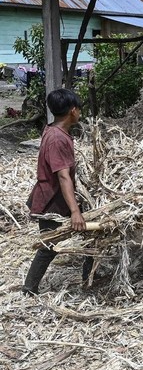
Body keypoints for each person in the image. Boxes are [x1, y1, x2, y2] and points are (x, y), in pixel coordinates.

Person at [23, 88, 92, 295]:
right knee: (49, 246)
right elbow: (63, 176)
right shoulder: (58, 139)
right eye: (79, 109)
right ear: (73, 111)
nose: (80, 113)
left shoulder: (53, 130)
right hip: (52, 200)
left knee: (91, 237)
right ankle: (29, 289)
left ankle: (89, 281)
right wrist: (75, 211)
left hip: (56, 196)